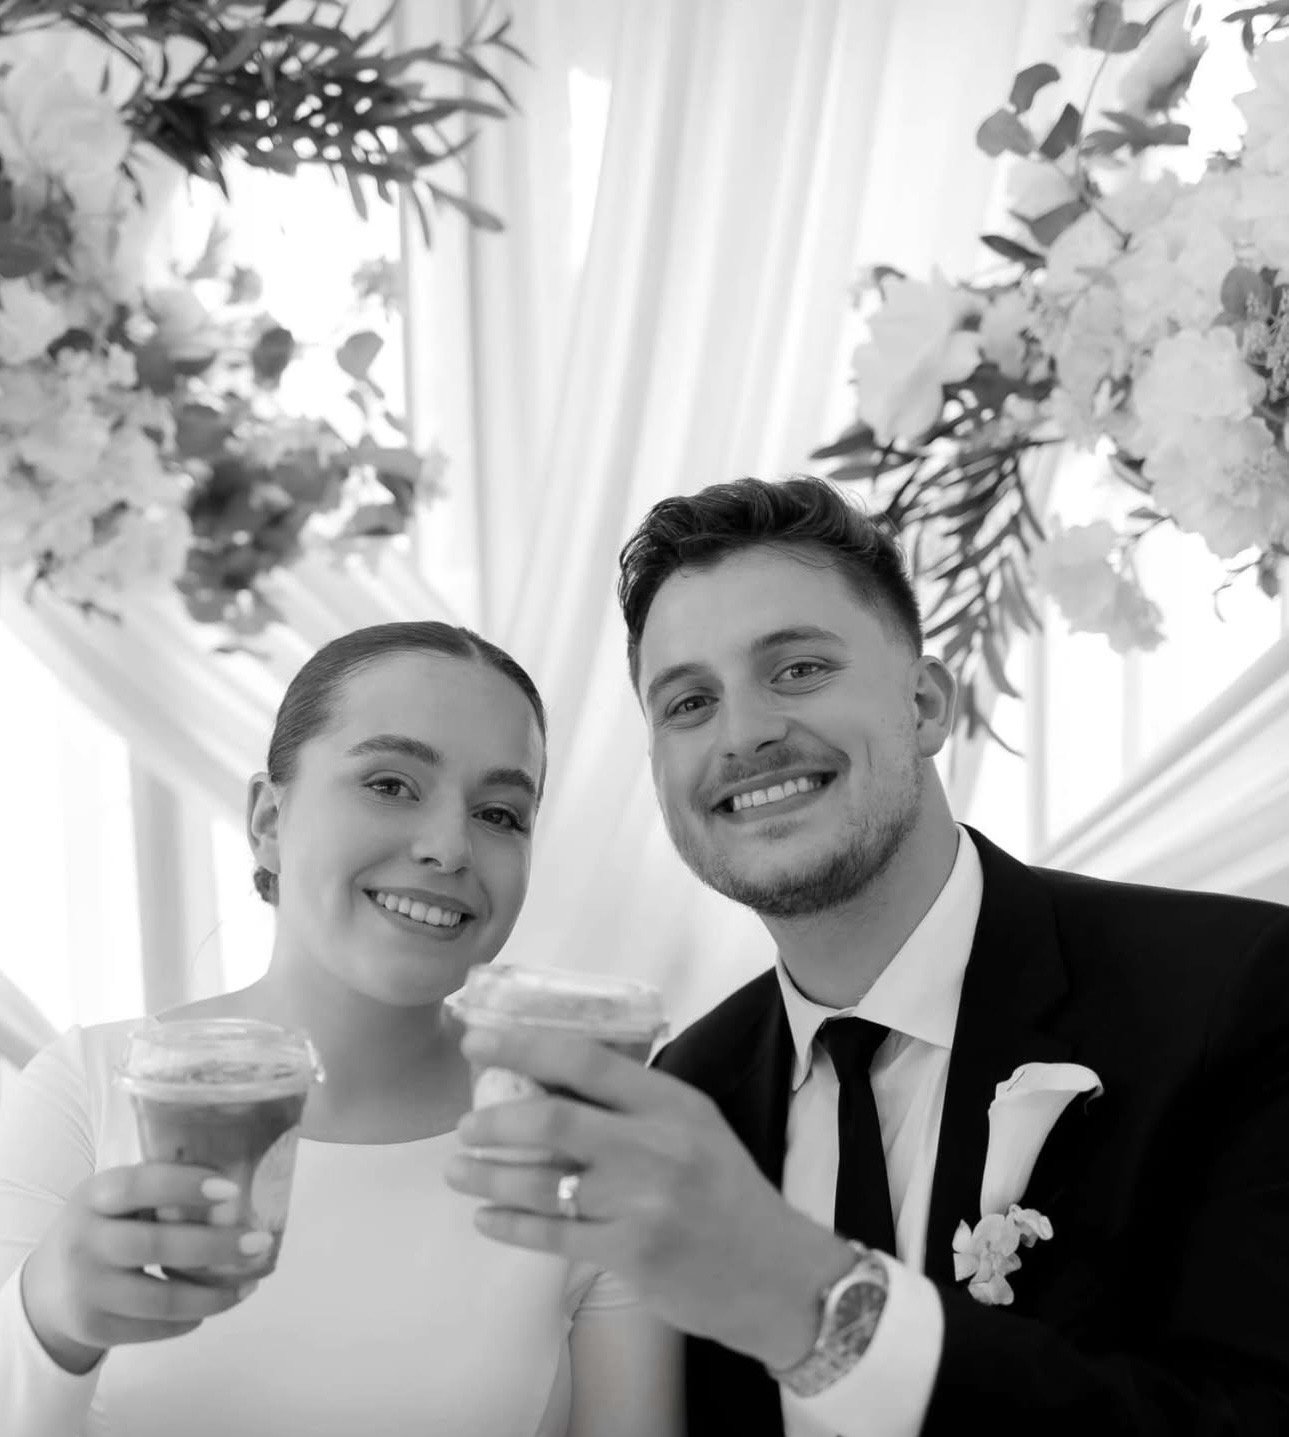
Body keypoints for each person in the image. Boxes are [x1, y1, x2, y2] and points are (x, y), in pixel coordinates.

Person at [444, 477, 1289, 1435]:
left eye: (797, 668)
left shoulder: (1238, 991)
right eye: (686, 702)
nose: (745, 732)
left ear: (925, 703)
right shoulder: (693, 1090)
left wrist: (810, 1303)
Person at [0, 621, 681, 1437]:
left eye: (500, 812)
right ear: (266, 820)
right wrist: (49, 1317)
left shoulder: (579, 1134)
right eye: (390, 784)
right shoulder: (89, 1088)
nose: (447, 847)